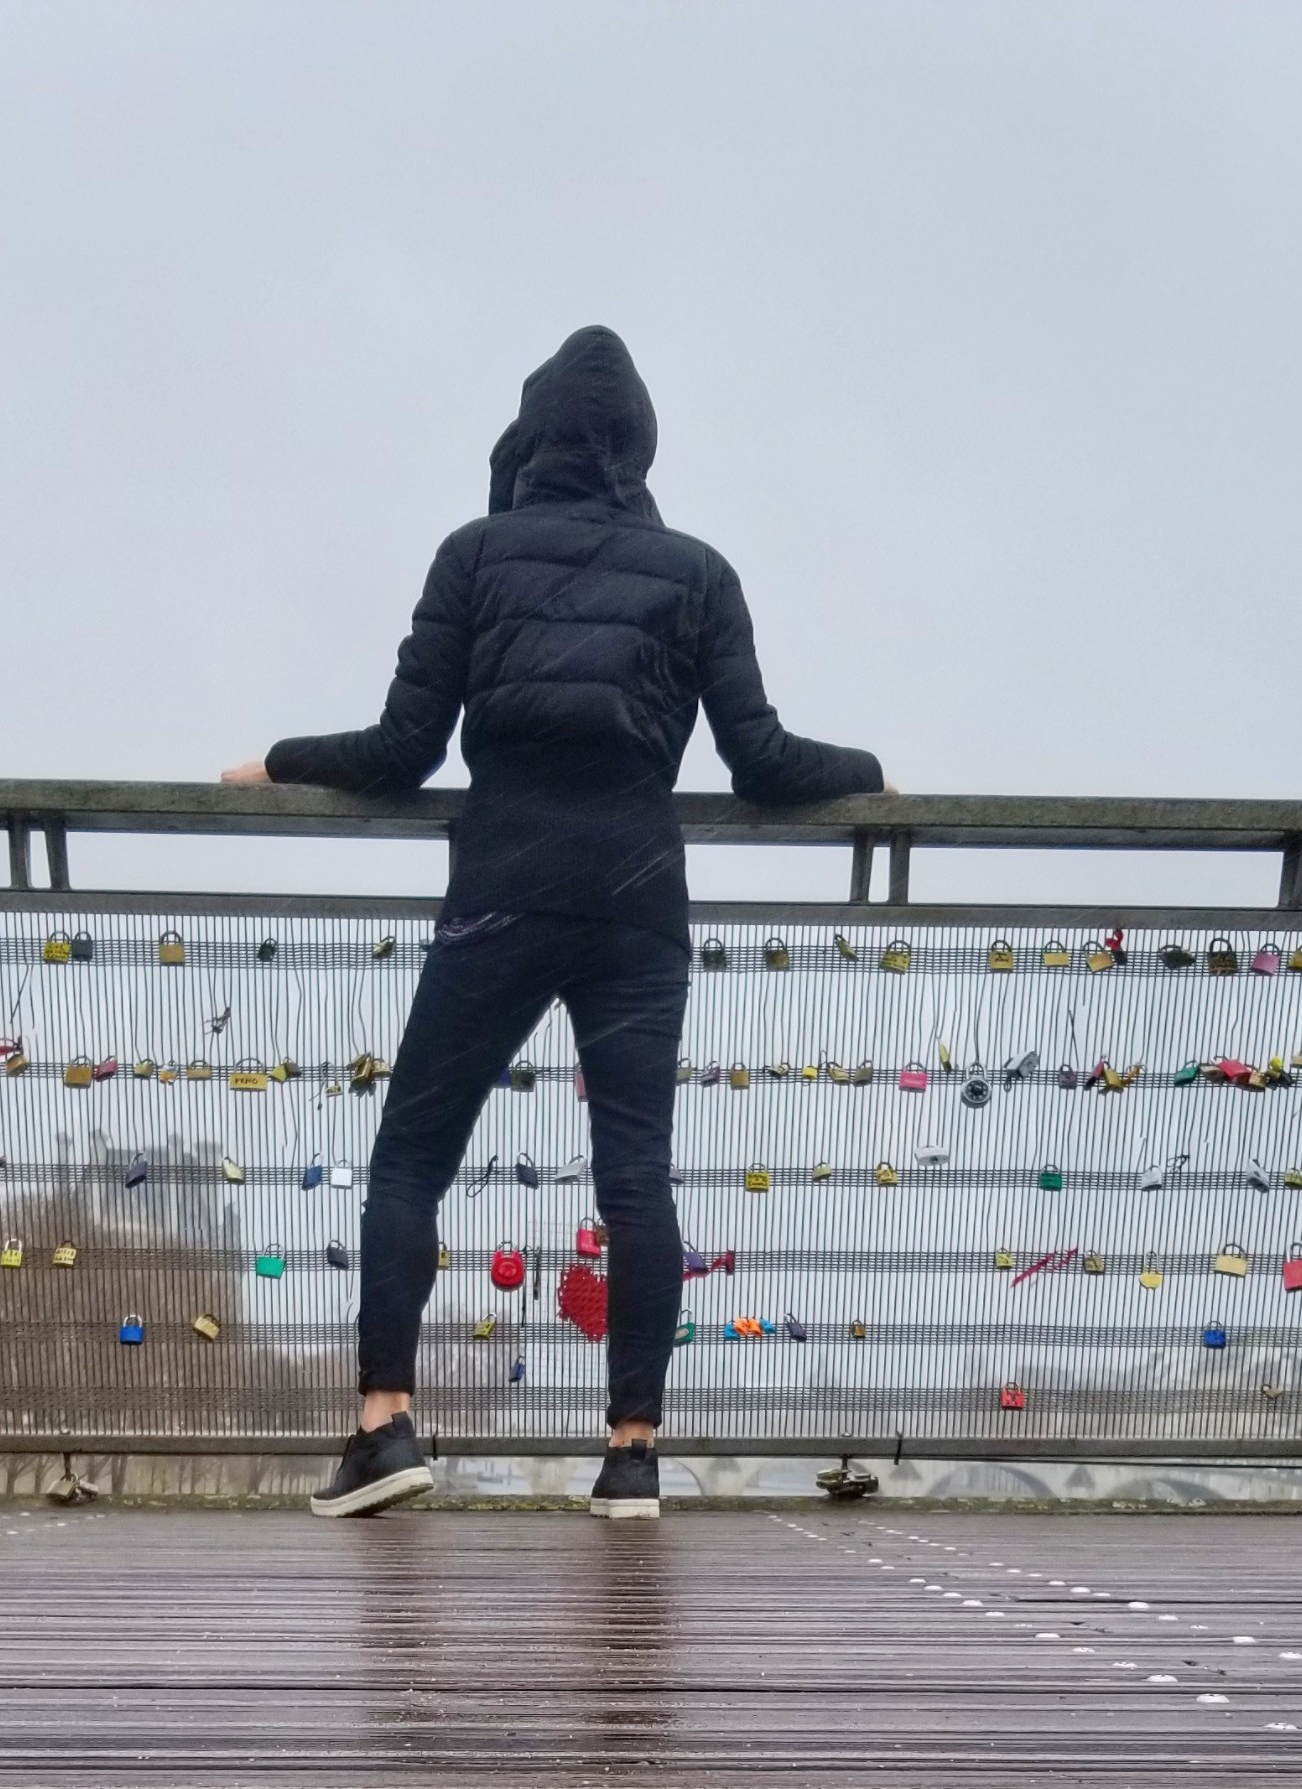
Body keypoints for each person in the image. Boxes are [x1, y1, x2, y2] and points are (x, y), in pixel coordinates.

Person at [223, 325, 883, 1521]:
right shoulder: (699, 573)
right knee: (636, 1174)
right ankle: (632, 1454)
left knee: (414, 1159)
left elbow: (398, 751)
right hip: (637, 901)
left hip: (503, 891)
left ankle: (385, 1428)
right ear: (641, 447)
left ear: (527, 439)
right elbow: (766, 758)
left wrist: (274, 759)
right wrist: (872, 770)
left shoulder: (475, 554)